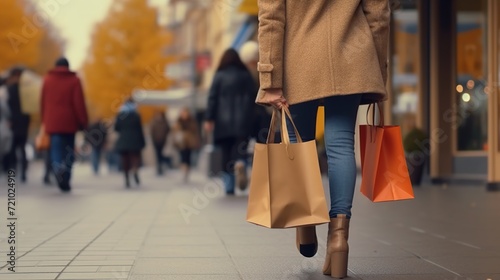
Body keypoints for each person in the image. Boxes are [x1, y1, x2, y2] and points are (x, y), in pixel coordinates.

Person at [255, 0, 391, 278]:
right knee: (341, 145)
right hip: (353, 59)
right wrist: (376, 69)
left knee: (297, 142)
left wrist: (269, 77)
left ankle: (304, 222)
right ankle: (339, 237)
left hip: (298, 60)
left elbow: (271, 18)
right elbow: (379, 15)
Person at [203, 48, 258, 195]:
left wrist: (209, 118)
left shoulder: (219, 76)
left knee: (226, 154)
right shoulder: (246, 75)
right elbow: (254, 97)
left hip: (223, 123)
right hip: (243, 122)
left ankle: (229, 187)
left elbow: (212, 98)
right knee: (240, 149)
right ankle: (240, 163)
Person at [41, 57, 88, 192]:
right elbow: (79, 103)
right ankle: (66, 179)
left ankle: (58, 169)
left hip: (52, 123)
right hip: (70, 123)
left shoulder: (47, 80)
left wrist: (45, 120)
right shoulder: (74, 80)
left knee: (56, 150)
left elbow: (43, 102)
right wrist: (83, 122)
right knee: (68, 151)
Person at [4, 67, 30, 182]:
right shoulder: (26, 90)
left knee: (13, 148)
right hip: (23, 123)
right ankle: (23, 172)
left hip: (13, 122)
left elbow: (6, 107)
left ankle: (12, 171)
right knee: (22, 148)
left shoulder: (10, 89)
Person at [113, 99, 145, 188]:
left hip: (123, 141)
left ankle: (126, 177)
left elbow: (116, 128)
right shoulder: (136, 115)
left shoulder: (120, 115)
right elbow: (140, 129)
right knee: (135, 158)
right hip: (135, 141)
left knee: (125, 160)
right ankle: (135, 170)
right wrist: (142, 142)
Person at [174, 107, 200, 183]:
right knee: (182, 158)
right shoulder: (178, 121)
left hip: (189, 143)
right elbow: (175, 131)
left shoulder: (192, 121)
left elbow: (195, 132)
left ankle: (186, 172)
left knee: (188, 158)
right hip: (181, 143)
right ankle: (183, 172)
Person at [150, 111, 170, 175]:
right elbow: (152, 132)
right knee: (158, 155)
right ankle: (159, 167)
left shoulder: (165, 122)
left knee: (161, 154)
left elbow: (168, 130)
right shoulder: (154, 122)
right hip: (156, 141)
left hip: (163, 141)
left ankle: (162, 166)